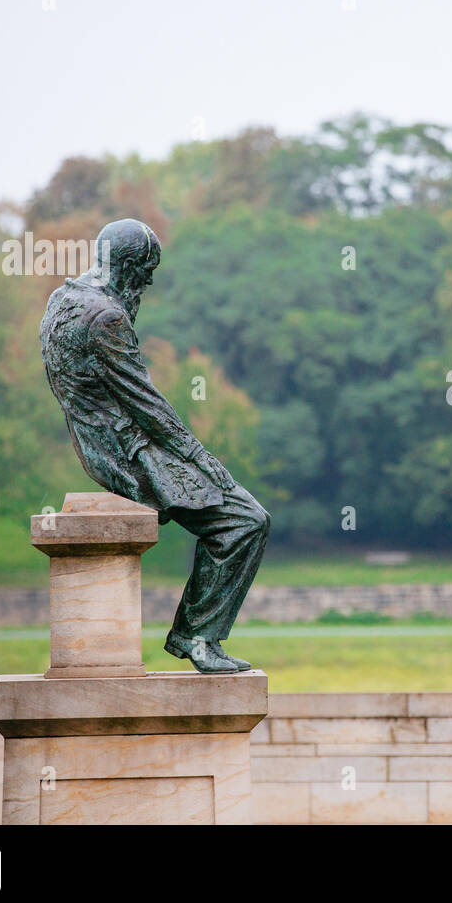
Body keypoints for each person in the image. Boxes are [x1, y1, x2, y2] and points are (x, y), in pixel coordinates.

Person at [40, 219, 271, 674]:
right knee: (246, 521)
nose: (148, 280)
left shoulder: (63, 297)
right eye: (146, 270)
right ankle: (198, 637)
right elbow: (145, 401)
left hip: (97, 438)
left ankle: (195, 633)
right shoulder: (107, 315)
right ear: (127, 265)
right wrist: (201, 457)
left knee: (242, 518)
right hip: (129, 452)